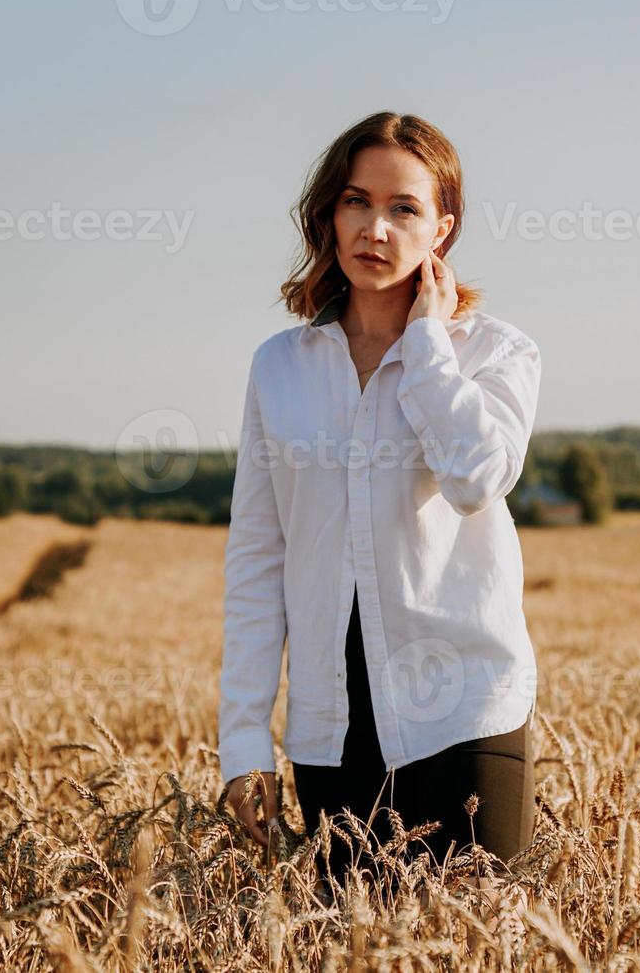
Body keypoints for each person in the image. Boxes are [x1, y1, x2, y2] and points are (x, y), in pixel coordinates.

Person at [220, 111, 542, 889]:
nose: (376, 227)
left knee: (477, 943)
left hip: (467, 710)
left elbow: (476, 480)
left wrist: (428, 349)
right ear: (328, 215)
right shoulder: (280, 367)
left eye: (405, 208)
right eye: (356, 202)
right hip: (330, 729)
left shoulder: (497, 352)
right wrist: (242, 746)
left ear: (442, 230)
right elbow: (258, 560)